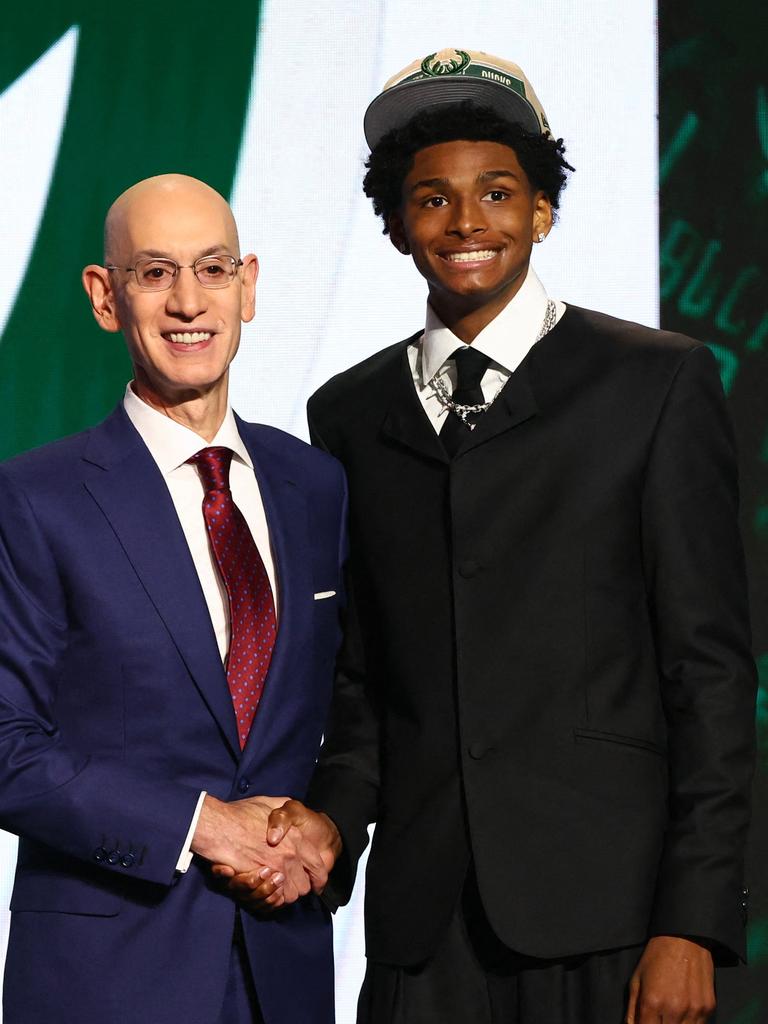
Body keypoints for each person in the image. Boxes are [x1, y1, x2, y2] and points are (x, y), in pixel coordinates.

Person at [231, 49, 758, 1024]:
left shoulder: (655, 385)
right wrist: (329, 826)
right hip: (424, 933)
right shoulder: (349, 412)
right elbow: (366, 685)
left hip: (610, 922)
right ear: (395, 225)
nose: (467, 220)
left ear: (542, 212)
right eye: (432, 199)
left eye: (498, 192)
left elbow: (710, 676)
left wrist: (692, 923)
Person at [0, 174, 346, 1024]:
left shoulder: (315, 483)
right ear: (104, 296)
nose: (189, 302)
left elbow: (355, 702)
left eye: (213, 269)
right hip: (104, 977)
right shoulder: (37, 498)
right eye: (155, 273)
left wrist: (331, 823)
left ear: (249, 285)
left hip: (282, 968)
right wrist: (198, 825)